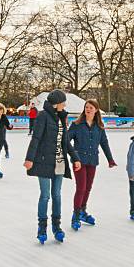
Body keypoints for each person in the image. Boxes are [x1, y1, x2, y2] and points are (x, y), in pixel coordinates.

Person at [24, 90, 81, 245]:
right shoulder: (43, 116)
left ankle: (57, 227)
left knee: (57, 195)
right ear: (57, 103)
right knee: (45, 196)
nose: (65, 105)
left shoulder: (62, 117)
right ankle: (42, 228)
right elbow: (36, 138)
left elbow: (66, 142)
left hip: (60, 162)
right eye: (63, 102)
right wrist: (29, 158)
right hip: (44, 161)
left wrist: (75, 158)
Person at [67, 99, 117, 231]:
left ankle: (83, 211)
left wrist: (110, 159)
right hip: (79, 161)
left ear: (96, 110)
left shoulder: (99, 127)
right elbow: (66, 141)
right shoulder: (76, 124)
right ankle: (76, 215)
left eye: (91, 107)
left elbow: (104, 143)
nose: (88, 109)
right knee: (81, 188)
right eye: (86, 107)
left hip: (92, 160)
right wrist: (73, 156)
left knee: (88, 188)